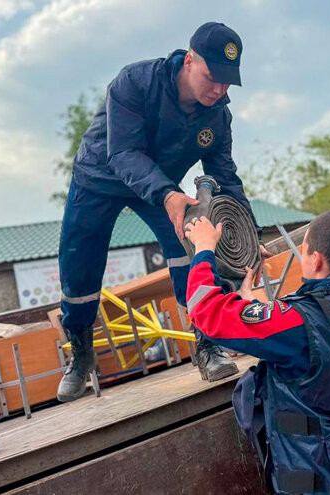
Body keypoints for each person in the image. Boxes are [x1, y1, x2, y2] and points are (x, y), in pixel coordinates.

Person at [56, 22, 268, 401]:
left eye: (227, 82)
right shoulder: (135, 83)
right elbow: (121, 154)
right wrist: (168, 193)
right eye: (212, 77)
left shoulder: (217, 115)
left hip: (160, 189)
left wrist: (250, 234)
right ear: (189, 61)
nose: (219, 89)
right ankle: (82, 352)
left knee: (191, 246)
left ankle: (207, 346)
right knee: (78, 270)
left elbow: (225, 177)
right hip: (99, 179)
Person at [183, 210, 330, 495]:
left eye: (304, 249)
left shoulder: (297, 323)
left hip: (321, 483)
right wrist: (251, 305)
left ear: (316, 259)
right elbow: (319, 340)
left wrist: (203, 249)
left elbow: (206, 311)